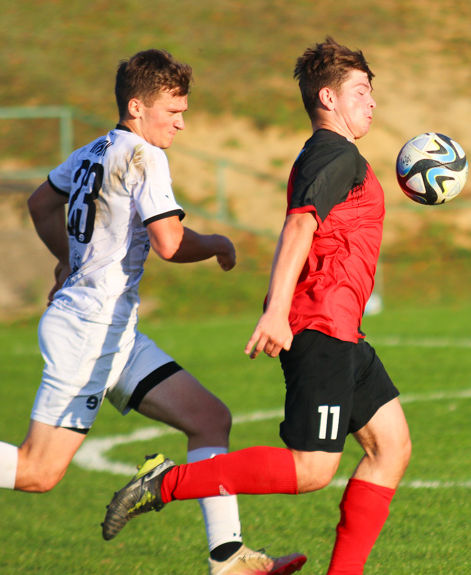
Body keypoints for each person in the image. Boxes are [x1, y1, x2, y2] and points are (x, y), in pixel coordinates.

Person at [0, 49, 305, 575]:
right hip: (90, 332)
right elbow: (168, 241)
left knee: (210, 418)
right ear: (138, 107)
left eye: (184, 111)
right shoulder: (144, 155)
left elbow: (39, 204)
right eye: (173, 112)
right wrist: (214, 242)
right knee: (38, 471)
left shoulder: (95, 149)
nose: (181, 123)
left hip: (113, 331)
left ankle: (229, 559)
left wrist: (67, 263)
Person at [101, 37, 413, 575]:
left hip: (342, 328)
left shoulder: (329, 153)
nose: (372, 102)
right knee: (313, 469)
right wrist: (277, 311)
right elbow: (299, 224)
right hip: (320, 325)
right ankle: (165, 483)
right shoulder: (337, 153)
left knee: (392, 447)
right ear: (328, 97)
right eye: (361, 90)